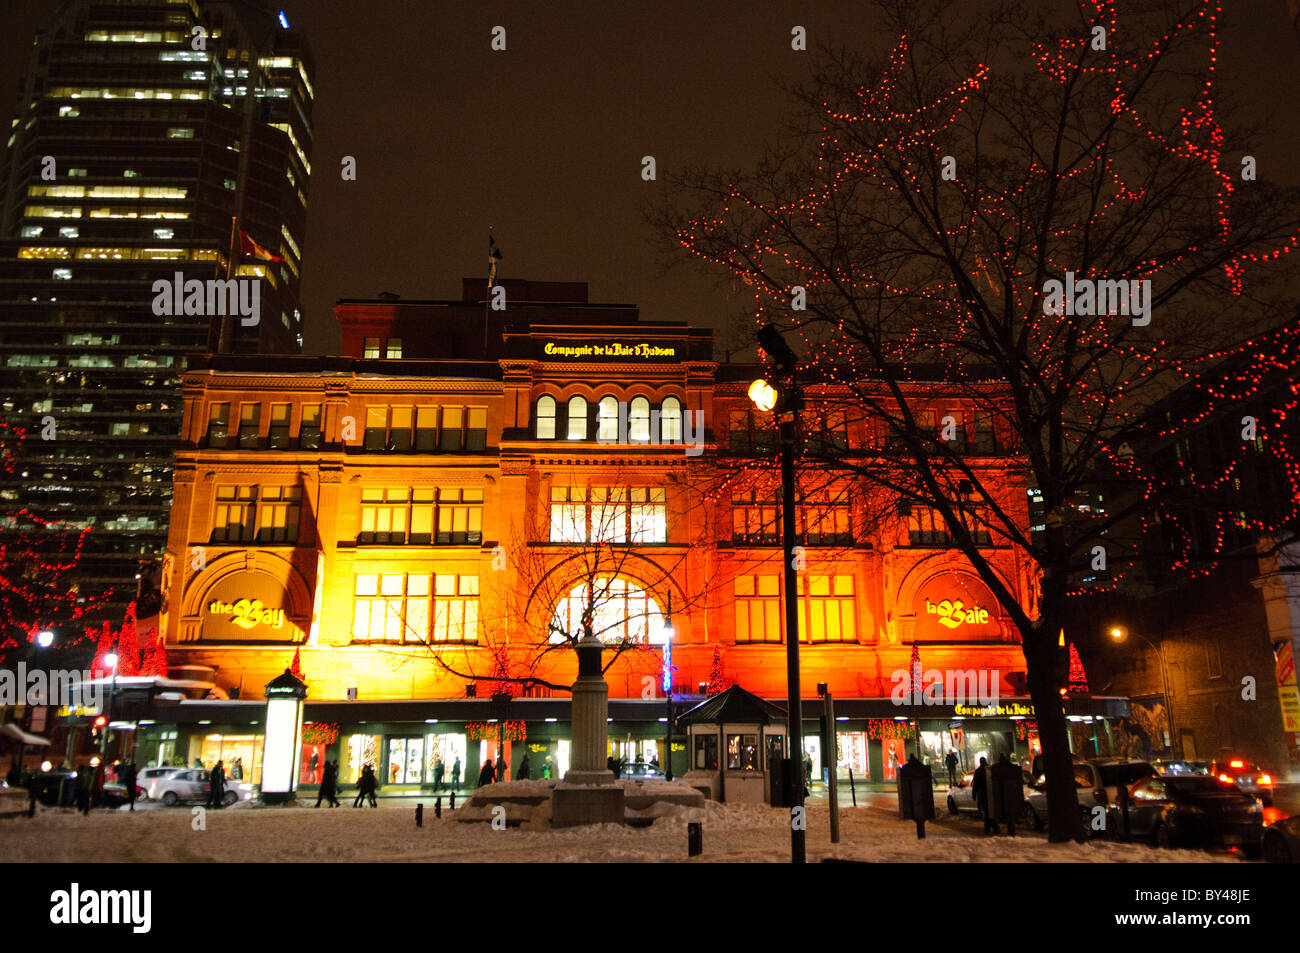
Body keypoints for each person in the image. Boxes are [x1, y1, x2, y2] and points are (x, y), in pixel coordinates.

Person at [972, 756, 995, 834]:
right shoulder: (990, 770)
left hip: (982, 794)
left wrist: (974, 794)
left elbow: (975, 784)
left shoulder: (978, 771)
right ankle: (994, 827)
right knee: (992, 811)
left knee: (986, 812)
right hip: (991, 794)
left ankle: (987, 828)